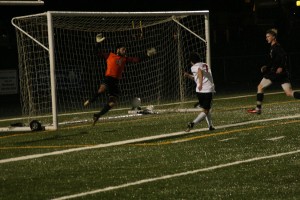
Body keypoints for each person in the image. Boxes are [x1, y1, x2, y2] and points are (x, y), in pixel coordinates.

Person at [84, 42, 156, 125]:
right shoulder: (109, 55)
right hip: (108, 78)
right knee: (101, 90)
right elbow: (97, 53)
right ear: (118, 49)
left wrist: (147, 55)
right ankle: (90, 100)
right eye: (123, 49)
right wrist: (98, 43)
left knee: (112, 103)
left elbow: (137, 60)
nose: (124, 51)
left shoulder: (125, 59)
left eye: (125, 49)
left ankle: (97, 115)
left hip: (115, 82)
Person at [247, 28, 300, 114]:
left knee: (260, 87)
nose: (266, 38)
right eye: (266, 36)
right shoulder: (273, 47)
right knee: (289, 93)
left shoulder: (276, 47)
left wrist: (281, 67)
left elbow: (284, 56)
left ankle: (258, 109)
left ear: (274, 37)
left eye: (268, 36)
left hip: (276, 73)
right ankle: (258, 109)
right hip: (282, 74)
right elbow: (275, 61)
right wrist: (267, 67)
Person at [184, 52, 216, 132]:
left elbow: (199, 72)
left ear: (192, 61)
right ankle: (193, 123)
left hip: (200, 91)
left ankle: (210, 126)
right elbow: (199, 73)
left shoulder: (194, 67)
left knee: (206, 109)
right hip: (207, 90)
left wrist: (200, 83)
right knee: (206, 110)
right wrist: (189, 76)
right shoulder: (205, 64)